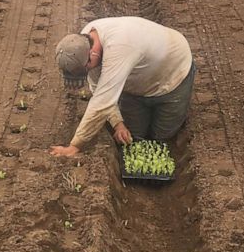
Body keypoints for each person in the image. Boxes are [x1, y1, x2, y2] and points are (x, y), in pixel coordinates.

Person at [49, 17, 195, 158]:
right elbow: (98, 89)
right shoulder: (82, 44)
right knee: (134, 137)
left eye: (85, 69)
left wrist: (75, 146)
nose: (87, 72)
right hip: (136, 85)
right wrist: (118, 124)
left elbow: (101, 103)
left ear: (92, 54)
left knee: (162, 137)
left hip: (172, 74)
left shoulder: (118, 48)